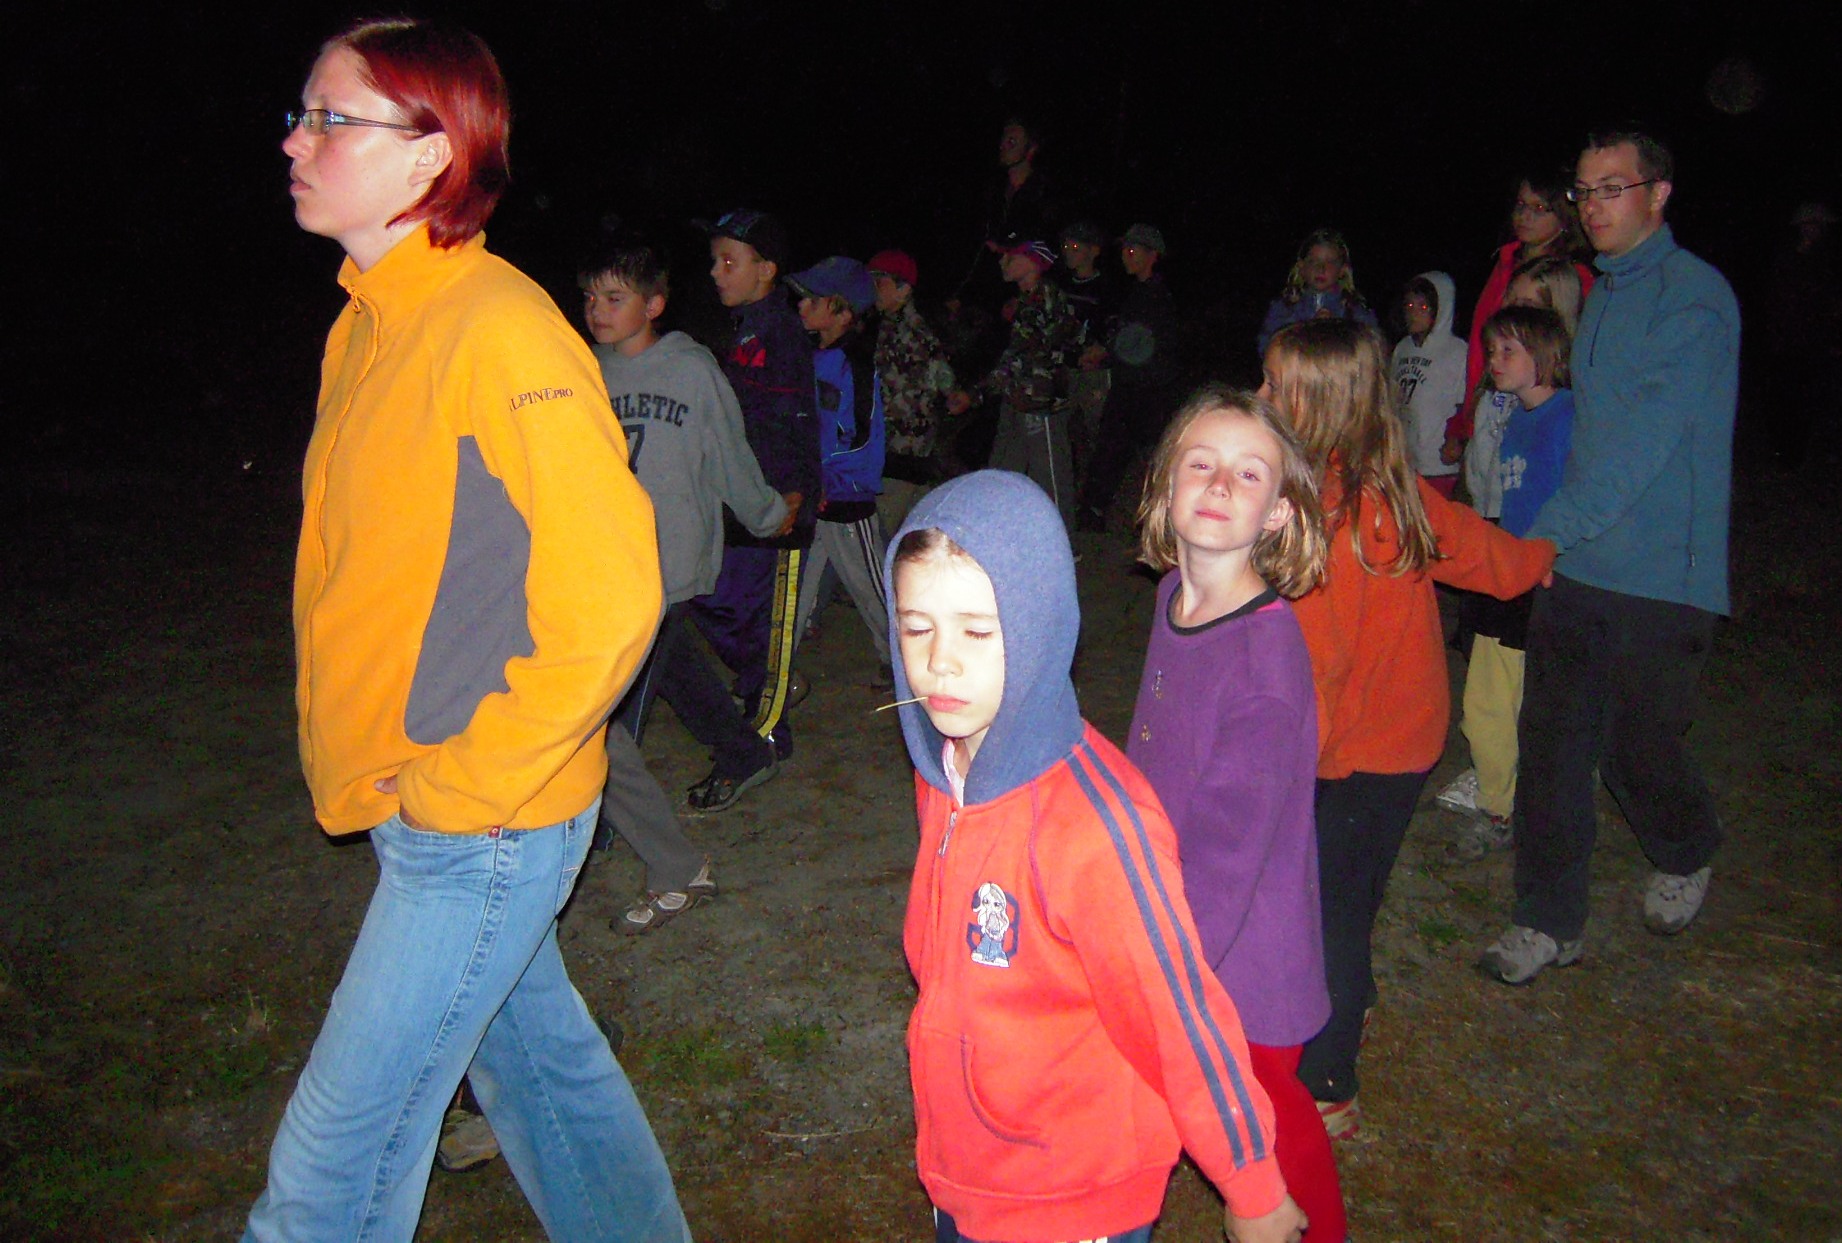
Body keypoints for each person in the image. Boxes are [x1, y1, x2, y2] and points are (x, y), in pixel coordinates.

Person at [254, 20, 687, 1240]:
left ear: (430, 153)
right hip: (427, 797)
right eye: (300, 114)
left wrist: (466, 785)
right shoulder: (368, 324)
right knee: (542, 1076)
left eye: (331, 118)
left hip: (483, 817)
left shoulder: (499, 329)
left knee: (330, 1168)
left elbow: (610, 594)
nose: (296, 140)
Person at [885, 470, 1307, 1243]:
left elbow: (1177, 1011)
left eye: (976, 631)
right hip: (972, 1168)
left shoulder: (1097, 827)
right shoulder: (945, 774)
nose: (941, 661)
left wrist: (1252, 1183)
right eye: (917, 627)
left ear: (1040, 627)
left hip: (1070, 1193)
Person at [1257, 319, 1553, 1138]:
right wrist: (1537, 560)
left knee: (1328, 910)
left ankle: (1328, 1079)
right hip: (1389, 736)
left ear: (1317, 405)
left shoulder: (1335, 520)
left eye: (1275, 385)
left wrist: (1289, 779)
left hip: (1363, 749)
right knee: (1343, 887)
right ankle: (1350, 994)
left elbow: (1323, 674)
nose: (1259, 396)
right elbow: (1475, 549)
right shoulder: (1382, 486)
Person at [1479, 128, 1741, 985]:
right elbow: (1586, 440)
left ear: (1658, 194)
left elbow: (1642, 448)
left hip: (1664, 574)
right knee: (1551, 742)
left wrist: (1546, 532)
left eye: (1612, 188)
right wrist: (1557, 533)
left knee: (1637, 749)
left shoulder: (1696, 300)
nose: (1593, 206)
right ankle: (1546, 920)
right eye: (1584, 191)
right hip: (1582, 562)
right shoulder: (1604, 297)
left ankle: (1687, 843)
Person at [1128, 390, 1348, 1242]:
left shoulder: (1264, 658)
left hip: (1237, 958)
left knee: (1264, 1124)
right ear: (1166, 485)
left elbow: (1228, 852)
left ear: (1279, 512)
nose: (1220, 483)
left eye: (1249, 474)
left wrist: (1165, 976)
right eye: (1201, 463)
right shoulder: (1174, 597)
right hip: (1174, 917)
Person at [580, 235, 797, 906]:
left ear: (654, 304)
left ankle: (601, 817)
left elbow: (728, 452)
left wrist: (767, 513)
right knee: (673, 671)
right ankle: (744, 750)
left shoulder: (692, 371)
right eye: (590, 297)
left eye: (614, 297)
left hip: (670, 560)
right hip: (608, 561)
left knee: (618, 706)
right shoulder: (583, 370)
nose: (597, 310)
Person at [1437, 255, 1589, 818]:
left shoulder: (1568, 417)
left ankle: (1506, 799)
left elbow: (1577, 494)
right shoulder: (1517, 418)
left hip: (1543, 571)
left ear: (1544, 356)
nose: (1494, 362)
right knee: (1490, 688)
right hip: (1509, 562)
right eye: (1492, 350)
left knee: (1515, 691)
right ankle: (1500, 791)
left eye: (1507, 352)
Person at [700, 208, 820, 766]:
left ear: (766, 269)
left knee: (762, 616)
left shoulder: (781, 331)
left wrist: (793, 492)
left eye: (730, 262)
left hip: (776, 502)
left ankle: (768, 733)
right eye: (714, 261)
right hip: (742, 495)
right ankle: (766, 684)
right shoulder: (742, 327)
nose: (716, 272)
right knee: (715, 598)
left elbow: (795, 415)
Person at [1441, 174, 1592, 468]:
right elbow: (1480, 348)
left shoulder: (1571, 278)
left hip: (1532, 411)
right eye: (1521, 205)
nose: (1525, 216)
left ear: (1564, 218)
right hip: (1488, 405)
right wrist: (1466, 419)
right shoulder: (1505, 264)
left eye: (1539, 208)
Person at [787, 256, 891, 670]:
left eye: (813, 300)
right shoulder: (813, 358)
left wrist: (825, 476)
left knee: (874, 591)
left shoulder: (856, 364)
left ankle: (905, 668)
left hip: (847, 498)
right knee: (793, 591)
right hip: (815, 495)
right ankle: (775, 672)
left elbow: (863, 437)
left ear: (843, 312)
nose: (801, 306)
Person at [947, 239, 1083, 528]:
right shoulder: (1027, 300)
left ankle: (1062, 542)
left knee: (1052, 481)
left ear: (1032, 262)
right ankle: (995, 534)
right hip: (1018, 400)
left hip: (1040, 405)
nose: (1002, 263)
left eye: (1009, 257)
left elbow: (1019, 360)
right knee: (1002, 472)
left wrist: (975, 394)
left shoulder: (1042, 302)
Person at [1076, 224, 1184, 532]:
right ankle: (1094, 511)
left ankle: (1155, 522)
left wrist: (1105, 353)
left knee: (1151, 456)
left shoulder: (1158, 296)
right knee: (1110, 449)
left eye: (1134, 250)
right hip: (1129, 385)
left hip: (1149, 391)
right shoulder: (1135, 291)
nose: (1126, 256)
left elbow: (1142, 345)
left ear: (1153, 256)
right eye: (1125, 249)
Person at [868, 248, 956, 534]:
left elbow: (939, 379)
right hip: (903, 448)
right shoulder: (888, 325)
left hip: (904, 448)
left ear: (903, 288)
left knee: (884, 531)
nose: (873, 289)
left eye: (880, 282)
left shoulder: (913, 329)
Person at [1389, 272, 1464, 497]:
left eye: (1423, 307)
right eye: (1409, 305)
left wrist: (1456, 439)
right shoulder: (1402, 348)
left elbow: (1465, 403)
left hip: (1438, 465)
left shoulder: (1457, 351)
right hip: (1406, 460)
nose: (1413, 313)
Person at [1257, 229, 1377, 356]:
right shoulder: (1283, 309)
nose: (1321, 268)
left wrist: (1336, 331)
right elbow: (1267, 348)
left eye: (1330, 262)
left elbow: (1372, 351)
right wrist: (1308, 330)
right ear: (1301, 267)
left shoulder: (1355, 311)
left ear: (1342, 270)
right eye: (1313, 261)